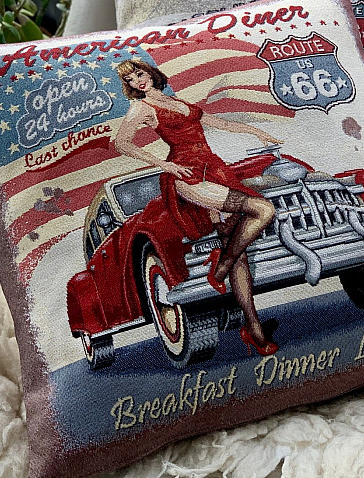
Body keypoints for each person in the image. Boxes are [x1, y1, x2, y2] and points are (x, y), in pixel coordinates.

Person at [113, 59, 282, 356]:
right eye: (130, 80)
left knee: (235, 245)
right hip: (188, 174)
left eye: (139, 73)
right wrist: (163, 164)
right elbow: (121, 143)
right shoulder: (141, 108)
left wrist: (256, 132)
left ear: (150, 73)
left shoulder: (177, 102)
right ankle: (221, 266)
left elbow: (219, 123)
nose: (137, 81)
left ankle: (253, 327)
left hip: (214, 168)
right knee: (262, 210)